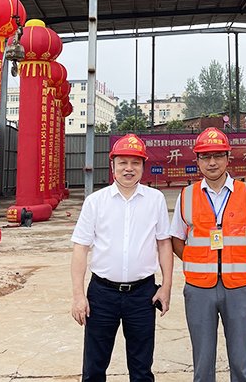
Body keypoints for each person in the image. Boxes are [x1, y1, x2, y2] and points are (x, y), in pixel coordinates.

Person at [71, 134, 173, 382]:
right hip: (101, 295)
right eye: (123, 162)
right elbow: (81, 249)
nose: (129, 168)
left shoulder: (155, 200)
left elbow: (163, 243)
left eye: (135, 162)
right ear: (113, 165)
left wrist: (166, 287)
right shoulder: (95, 202)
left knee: (141, 369)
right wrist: (78, 296)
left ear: (143, 166)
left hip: (142, 295)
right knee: (94, 368)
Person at [170, 128, 246, 382]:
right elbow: (176, 239)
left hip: (238, 287)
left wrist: (236, 260)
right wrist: (198, 262)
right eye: (205, 156)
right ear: (197, 160)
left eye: (218, 156)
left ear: (228, 158)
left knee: (241, 361)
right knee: (202, 363)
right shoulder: (186, 195)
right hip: (199, 289)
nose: (212, 162)